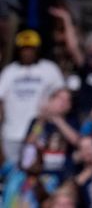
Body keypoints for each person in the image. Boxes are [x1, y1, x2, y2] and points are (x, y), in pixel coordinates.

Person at [0, 30, 65, 165]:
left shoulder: (49, 69)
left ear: (37, 49)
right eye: (24, 49)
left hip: (39, 132)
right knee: (12, 174)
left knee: (34, 171)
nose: (27, 52)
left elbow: (62, 96)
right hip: (12, 133)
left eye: (31, 49)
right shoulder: (9, 71)